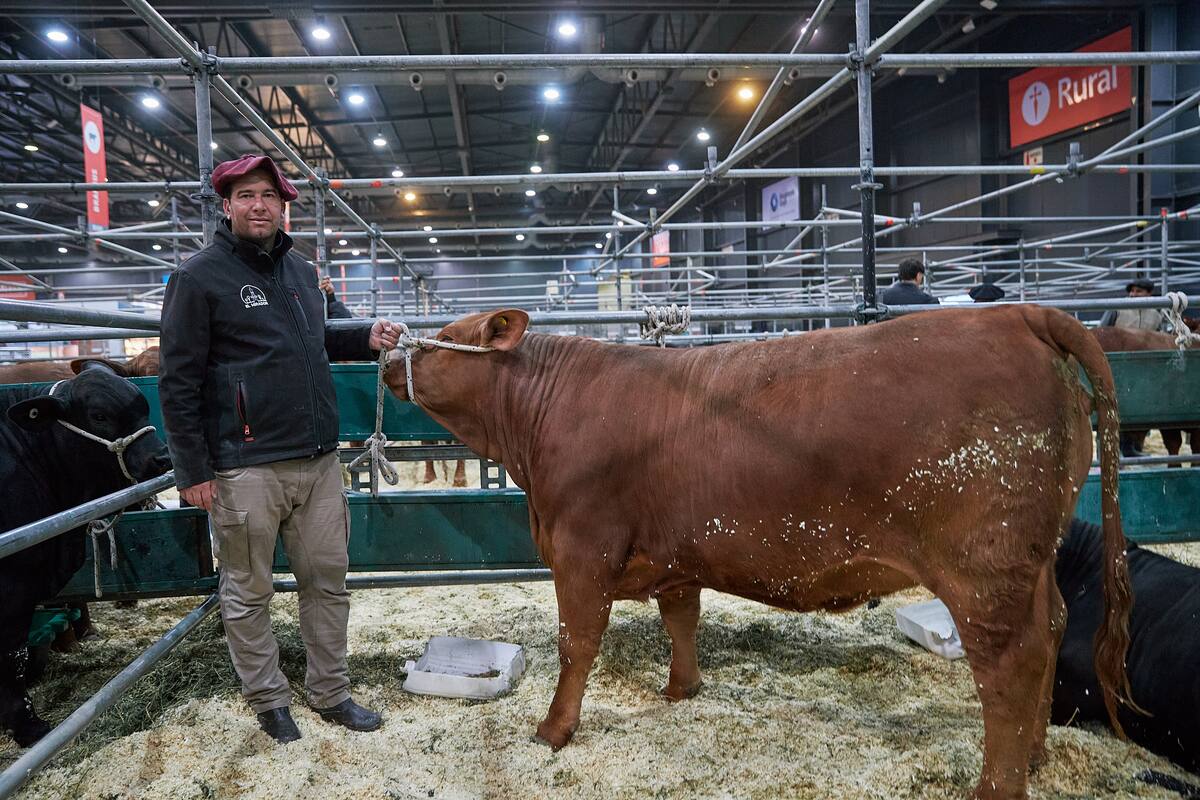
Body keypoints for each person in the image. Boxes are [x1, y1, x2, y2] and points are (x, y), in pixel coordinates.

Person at [159, 153, 401, 744]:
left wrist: (361, 334)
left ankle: (332, 692)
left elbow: (314, 337)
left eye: (268, 194)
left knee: (329, 578)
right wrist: (192, 470)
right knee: (248, 589)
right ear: (226, 206)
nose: (259, 204)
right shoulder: (199, 278)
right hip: (245, 466)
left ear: (283, 203)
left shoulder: (299, 272)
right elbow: (178, 381)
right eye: (246, 195)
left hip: (318, 459)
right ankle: (269, 700)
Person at [1098, 278, 1165, 330]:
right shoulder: (1117, 308)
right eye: (1132, 291)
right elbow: (1101, 330)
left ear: (1149, 293)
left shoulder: (1155, 314)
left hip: (1145, 348)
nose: (1133, 294)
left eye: (1139, 291)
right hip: (1116, 347)